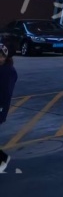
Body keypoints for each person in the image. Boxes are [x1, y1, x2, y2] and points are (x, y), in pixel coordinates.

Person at [0, 43, 17, 173]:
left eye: (1, 56)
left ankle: (3, 158)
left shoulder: (8, 71)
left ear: (5, 57)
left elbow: (6, 93)